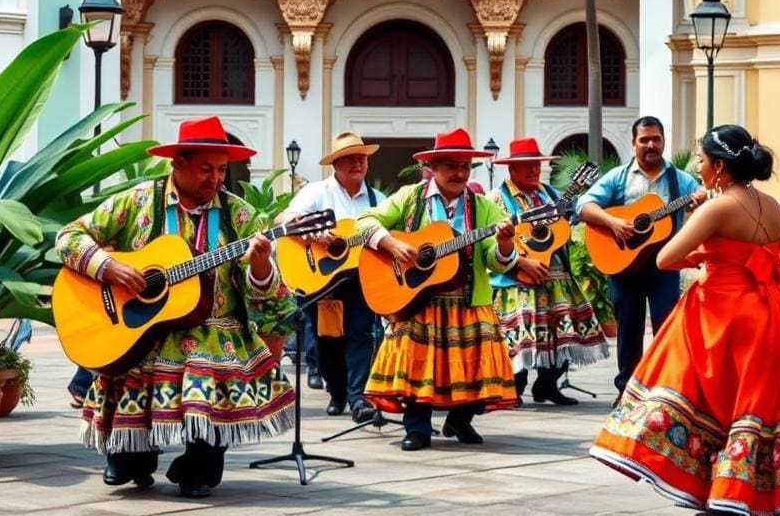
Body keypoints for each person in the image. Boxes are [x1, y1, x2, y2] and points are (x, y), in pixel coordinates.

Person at [590, 124, 780, 515]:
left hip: (724, 316)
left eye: (703, 159)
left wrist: (704, 257)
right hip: (773, 315)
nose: (698, 165)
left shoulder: (717, 206)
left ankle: (723, 493)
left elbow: (665, 259)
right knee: (760, 408)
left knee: (713, 404)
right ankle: (754, 493)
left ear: (720, 166)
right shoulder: (773, 206)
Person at [55, 116, 295, 498]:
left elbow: (267, 292)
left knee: (205, 362)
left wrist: (262, 265)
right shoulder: (136, 202)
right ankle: (131, 457)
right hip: (138, 325)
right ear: (176, 163)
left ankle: (197, 466)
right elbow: (68, 237)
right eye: (205, 169)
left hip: (214, 329)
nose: (215, 179)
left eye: (221, 169)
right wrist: (109, 267)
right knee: (133, 359)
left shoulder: (241, 217)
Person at [356, 128, 521, 451]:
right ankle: (417, 428)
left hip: (468, 300)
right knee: (417, 368)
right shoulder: (409, 197)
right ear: (434, 166)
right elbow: (364, 220)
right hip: (418, 299)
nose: (460, 174)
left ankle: (459, 419)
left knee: (481, 365)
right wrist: (391, 243)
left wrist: (503, 244)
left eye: (465, 167)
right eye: (452, 166)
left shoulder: (484, 207)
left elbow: (495, 261)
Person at [577, 116, 704, 402]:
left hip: (664, 266)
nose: (650, 145)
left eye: (656, 139)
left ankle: (665, 391)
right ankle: (627, 392)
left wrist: (701, 201)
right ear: (633, 143)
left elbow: (701, 203)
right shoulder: (618, 177)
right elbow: (583, 205)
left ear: (663, 142)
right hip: (623, 265)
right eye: (644, 139)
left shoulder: (681, 180)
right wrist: (612, 222)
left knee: (666, 328)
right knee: (629, 332)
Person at [488, 138, 609, 406]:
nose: (533, 170)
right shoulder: (497, 199)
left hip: (555, 276)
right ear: (512, 170)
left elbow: (564, 227)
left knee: (562, 333)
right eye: (526, 166)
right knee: (517, 336)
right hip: (515, 276)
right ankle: (514, 388)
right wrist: (522, 262)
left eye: (536, 165)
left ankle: (547, 385)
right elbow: (498, 238)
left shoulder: (552, 195)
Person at [274, 131, 385, 423]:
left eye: (361, 159)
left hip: (360, 279)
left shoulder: (378, 199)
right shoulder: (316, 192)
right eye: (349, 159)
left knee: (362, 334)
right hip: (320, 279)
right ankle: (337, 392)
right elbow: (282, 219)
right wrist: (313, 230)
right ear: (335, 164)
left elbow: (388, 235)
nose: (357, 164)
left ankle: (358, 397)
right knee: (327, 341)